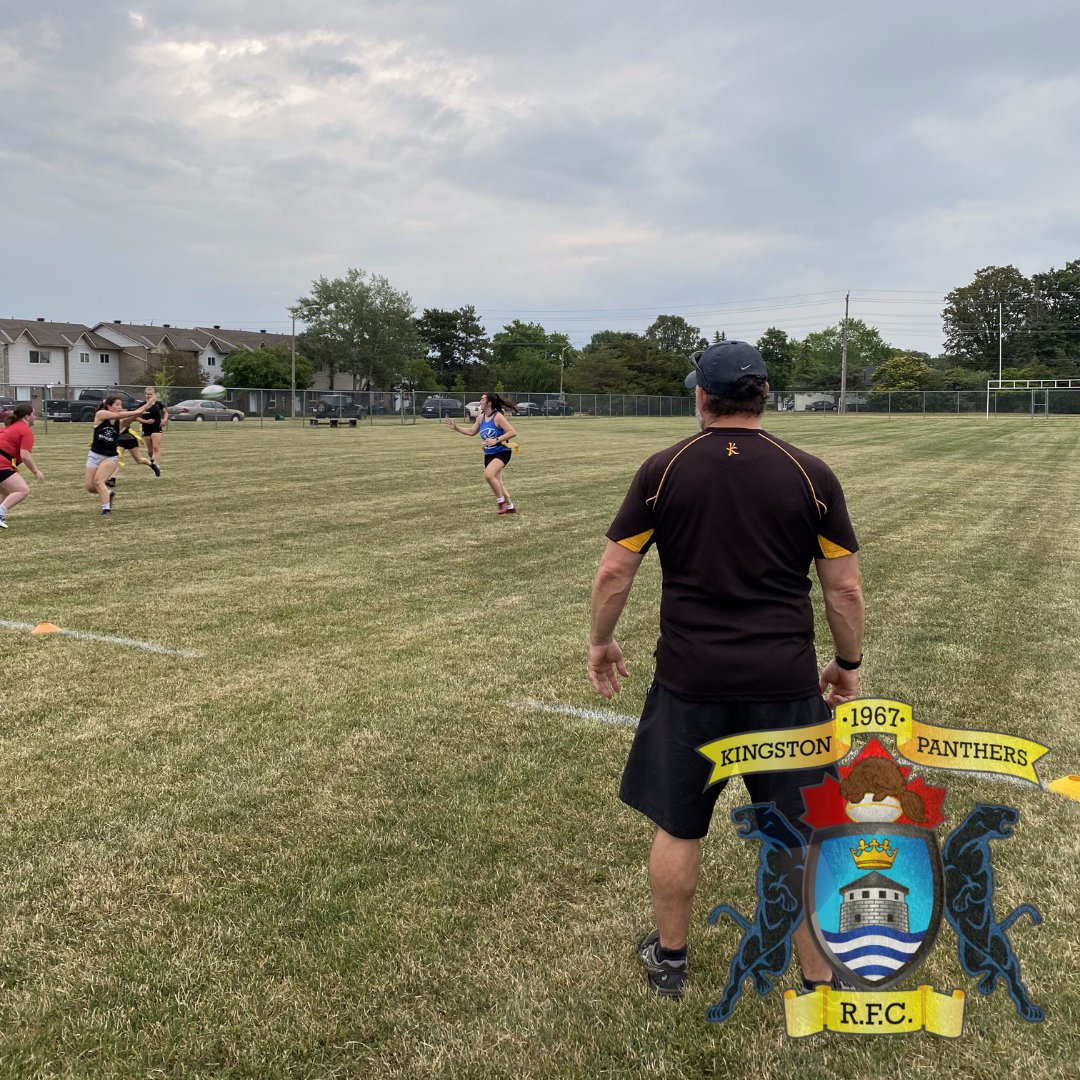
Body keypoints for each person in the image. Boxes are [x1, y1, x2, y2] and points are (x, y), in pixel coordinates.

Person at [587, 340, 864, 1000]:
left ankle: (672, 961)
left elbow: (613, 571)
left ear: (701, 397)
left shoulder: (664, 469)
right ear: (764, 394)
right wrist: (847, 662)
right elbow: (844, 589)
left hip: (691, 682)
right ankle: (819, 972)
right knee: (798, 831)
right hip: (785, 684)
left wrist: (601, 641)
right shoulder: (809, 473)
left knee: (679, 824)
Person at [443, 393, 519, 514]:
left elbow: (512, 432)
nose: (480, 401)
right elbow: (471, 431)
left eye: (482, 399)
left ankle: (501, 502)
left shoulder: (498, 416)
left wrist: (496, 440)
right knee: (497, 481)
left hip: (502, 451)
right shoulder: (481, 418)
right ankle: (510, 507)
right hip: (489, 454)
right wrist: (457, 428)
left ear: (489, 403)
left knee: (489, 475)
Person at [85, 395, 150, 516]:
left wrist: (146, 405)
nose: (120, 407)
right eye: (117, 405)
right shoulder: (100, 414)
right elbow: (118, 415)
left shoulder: (120, 423)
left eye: (121, 405)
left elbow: (133, 417)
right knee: (90, 487)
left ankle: (106, 509)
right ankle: (109, 494)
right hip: (94, 455)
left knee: (99, 482)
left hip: (110, 457)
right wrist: (139, 410)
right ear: (109, 406)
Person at [0, 403, 45, 529]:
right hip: (2, 463)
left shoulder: (9, 427)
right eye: (33, 414)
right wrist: (36, 471)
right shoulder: (25, 431)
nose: (35, 417)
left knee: (6, 491)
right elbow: (25, 455)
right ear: (27, 417)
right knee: (22, 490)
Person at [138, 386, 167, 473]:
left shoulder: (158, 404)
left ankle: (157, 466)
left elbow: (165, 413)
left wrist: (164, 420)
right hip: (146, 428)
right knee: (150, 450)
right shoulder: (142, 405)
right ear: (145, 394)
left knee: (156, 447)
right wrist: (146, 421)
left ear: (154, 394)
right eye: (147, 394)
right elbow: (136, 417)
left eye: (151, 394)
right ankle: (151, 458)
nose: (149, 396)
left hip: (157, 427)